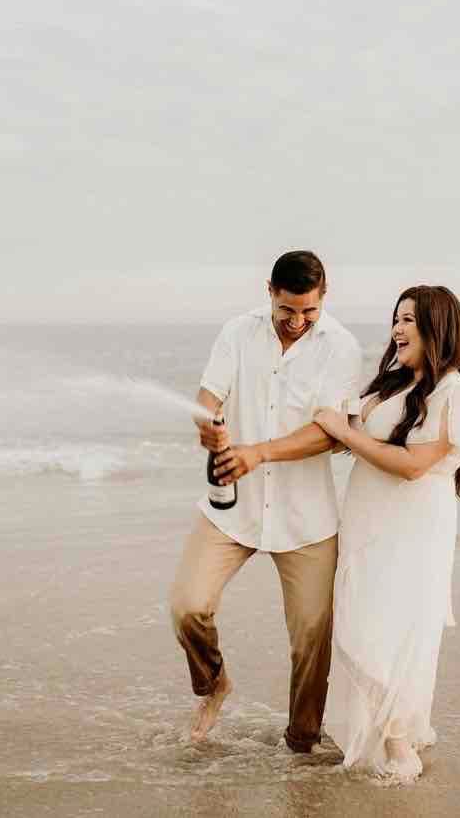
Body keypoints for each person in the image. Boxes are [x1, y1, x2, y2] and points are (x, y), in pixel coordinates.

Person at [168, 251, 363, 753]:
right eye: (287, 311)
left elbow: (328, 433)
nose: (297, 323)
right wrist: (209, 427)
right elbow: (207, 397)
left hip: (307, 519)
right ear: (269, 292)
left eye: (309, 313)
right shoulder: (237, 332)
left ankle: (301, 742)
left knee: (312, 637)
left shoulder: (341, 347)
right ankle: (214, 685)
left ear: (324, 298)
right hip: (232, 508)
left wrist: (258, 452)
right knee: (188, 606)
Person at [312, 285, 460, 783]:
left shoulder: (455, 393)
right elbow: (337, 416)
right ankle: (378, 735)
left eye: (410, 319)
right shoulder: (391, 387)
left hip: (412, 535)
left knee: (390, 630)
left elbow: (412, 465)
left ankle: (399, 745)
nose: (398, 329)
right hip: (366, 526)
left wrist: (345, 433)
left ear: (439, 328)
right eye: (396, 319)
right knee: (358, 620)